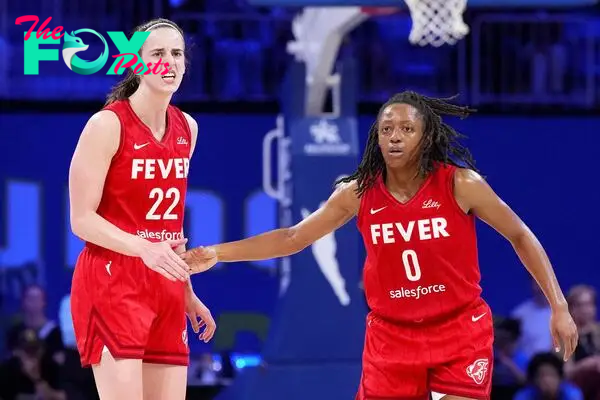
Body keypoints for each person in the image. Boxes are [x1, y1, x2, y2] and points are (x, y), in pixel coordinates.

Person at [182, 91, 578, 400]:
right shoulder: (357, 193)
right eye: (387, 129)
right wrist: (218, 252)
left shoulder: (460, 183)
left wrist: (559, 306)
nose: (394, 137)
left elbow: (520, 235)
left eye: (406, 129)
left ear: (426, 137)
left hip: (459, 330)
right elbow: (292, 238)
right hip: (392, 337)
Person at [68, 18, 216, 400]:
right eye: (158, 53)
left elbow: (171, 224)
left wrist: (186, 291)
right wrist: (142, 247)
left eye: (177, 53)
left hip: (165, 284)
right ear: (136, 61)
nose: (169, 62)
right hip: (113, 279)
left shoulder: (188, 128)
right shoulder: (106, 124)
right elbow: (81, 219)